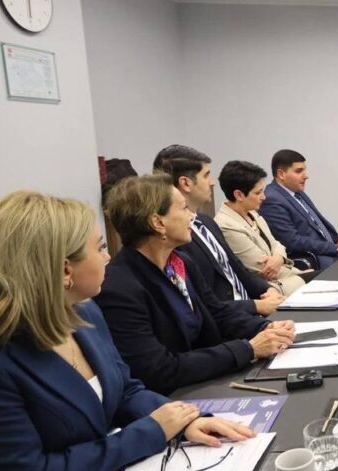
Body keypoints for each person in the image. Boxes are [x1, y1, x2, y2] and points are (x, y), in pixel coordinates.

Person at [0, 191, 252, 471]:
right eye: (100, 248)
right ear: (64, 269)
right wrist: (151, 432)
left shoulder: (85, 312)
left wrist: (185, 420)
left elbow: (124, 390)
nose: (109, 257)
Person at [96, 174, 295, 395]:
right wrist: (248, 349)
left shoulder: (181, 262)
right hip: (174, 398)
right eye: (184, 209)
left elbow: (217, 313)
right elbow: (159, 370)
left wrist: (265, 328)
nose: (192, 216)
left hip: (208, 380)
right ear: (158, 223)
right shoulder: (119, 288)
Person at [152, 145, 283, 316]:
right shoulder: (176, 238)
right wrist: (256, 306)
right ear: (186, 183)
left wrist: (268, 290)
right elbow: (205, 303)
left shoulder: (206, 222)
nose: (212, 182)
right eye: (206, 175)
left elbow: (238, 269)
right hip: (231, 320)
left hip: (250, 312)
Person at [214, 160, 308, 296]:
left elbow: (277, 244)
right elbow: (264, 269)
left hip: (287, 277)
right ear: (239, 195)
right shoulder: (226, 225)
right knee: (325, 278)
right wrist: (302, 275)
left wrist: (279, 258)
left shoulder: (252, 213)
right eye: (258, 193)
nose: (263, 197)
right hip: (271, 288)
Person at [258, 149, 338, 271]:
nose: (306, 176)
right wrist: (336, 249)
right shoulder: (271, 199)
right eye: (298, 171)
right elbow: (292, 241)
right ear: (281, 174)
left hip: (327, 252)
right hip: (314, 259)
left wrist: (337, 239)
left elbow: (317, 223)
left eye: (304, 170)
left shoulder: (296, 192)